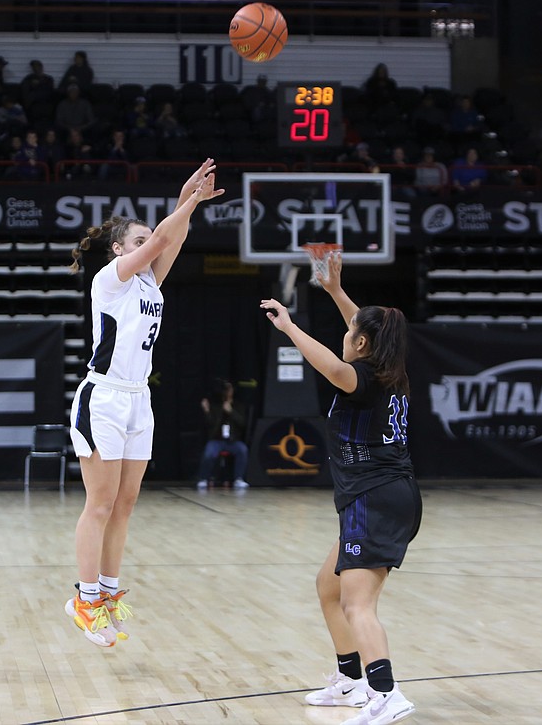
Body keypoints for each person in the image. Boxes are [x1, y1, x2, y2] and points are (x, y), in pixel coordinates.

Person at [64, 159, 224, 648]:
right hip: (104, 397)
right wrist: (189, 202)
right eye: (137, 241)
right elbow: (161, 239)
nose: (146, 245)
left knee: (127, 504)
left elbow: (165, 241)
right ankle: (84, 599)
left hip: (139, 399)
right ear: (118, 250)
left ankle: (109, 596)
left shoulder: (150, 283)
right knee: (101, 503)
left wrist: (185, 198)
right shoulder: (109, 280)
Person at [261, 252, 419, 725]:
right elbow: (362, 330)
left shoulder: (361, 379)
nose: (346, 335)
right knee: (328, 588)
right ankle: (351, 680)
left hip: (376, 498)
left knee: (357, 603)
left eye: (352, 334)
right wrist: (333, 291)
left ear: (363, 344)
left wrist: (290, 327)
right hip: (382, 496)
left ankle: (386, 695)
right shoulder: (389, 369)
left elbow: (331, 365)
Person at [195, 380, 250, 489]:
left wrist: (231, 411)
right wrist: (207, 410)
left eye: (229, 390)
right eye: (225, 390)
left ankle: (238, 478)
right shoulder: (216, 406)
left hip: (233, 441)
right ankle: (204, 478)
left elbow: (243, 423)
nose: (227, 392)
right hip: (217, 440)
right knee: (209, 452)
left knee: (242, 450)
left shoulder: (238, 406)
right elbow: (210, 424)